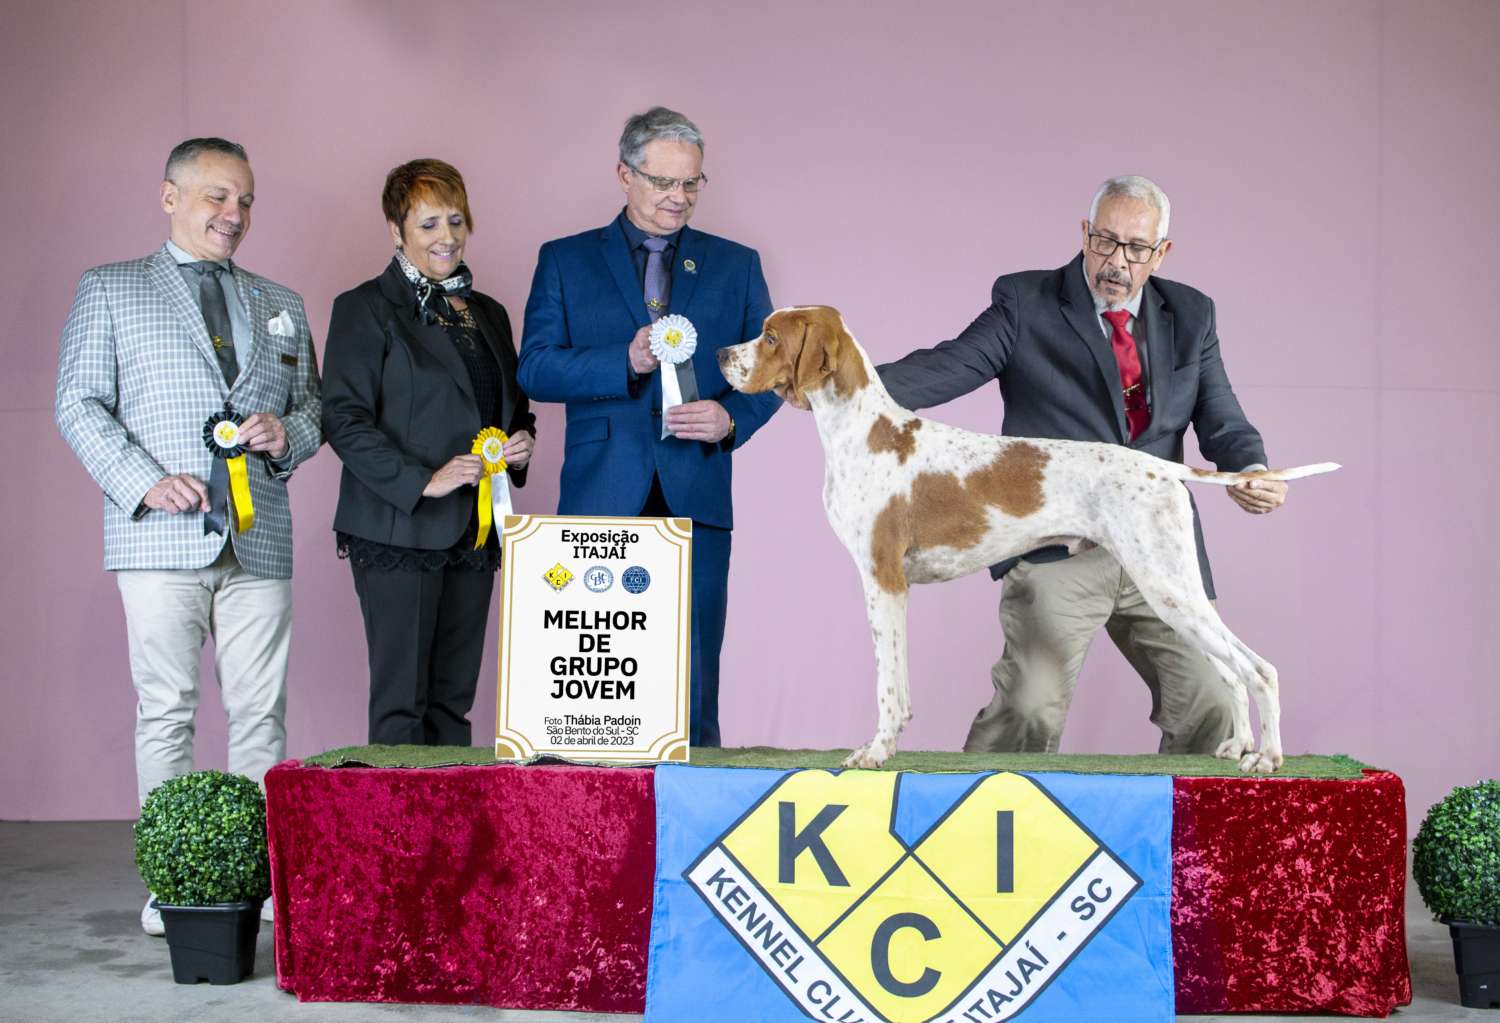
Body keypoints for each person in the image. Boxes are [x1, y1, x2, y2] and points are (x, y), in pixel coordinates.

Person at [878, 175, 1289, 757]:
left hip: (1154, 545)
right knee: (1026, 708)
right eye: (1104, 241)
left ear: (1161, 253)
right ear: (1084, 233)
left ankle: (1185, 845)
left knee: (1215, 706)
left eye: (1136, 248)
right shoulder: (1025, 301)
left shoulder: (1193, 314)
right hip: (1057, 548)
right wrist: (842, 384)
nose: (1116, 261)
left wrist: (1252, 467)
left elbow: (1221, 417)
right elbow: (949, 366)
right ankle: (973, 832)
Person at [55, 137, 322, 934]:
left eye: (243, 199)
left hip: (259, 537)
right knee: (167, 710)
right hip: (158, 538)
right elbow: (77, 402)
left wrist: (289, 434)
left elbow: (311, 409)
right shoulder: (110, 289)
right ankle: (170, 880)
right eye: (215, 196)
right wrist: (143, 479)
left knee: (260, 715)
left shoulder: (283, 301)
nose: (232, 214)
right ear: (169, 196)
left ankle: (257, 873)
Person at [518, 106, 780, 747]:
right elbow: (535, 369)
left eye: (691, 184)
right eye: (663, 182)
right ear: (623, 174)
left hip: (696, 485)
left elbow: (777, 368)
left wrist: (730, 418)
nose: (678, 197)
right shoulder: (564, 259)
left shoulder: (737, 264)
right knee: (590, 695)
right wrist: (623, 360)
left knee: (693, 683)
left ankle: (699, 818)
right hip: (600, 493)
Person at [322, 159, 535, 748]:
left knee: (453, 702)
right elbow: (342, 417)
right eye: (429, 224)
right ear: (396, 230)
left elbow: (510, 406)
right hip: (399, 530)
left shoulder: (488, 312)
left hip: (477, 530)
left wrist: (521, 441)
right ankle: (397, 840)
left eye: (457, 220)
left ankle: (451, 836)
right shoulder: (363, 307)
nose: (447, 237)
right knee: (401, 707)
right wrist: (424, 480)